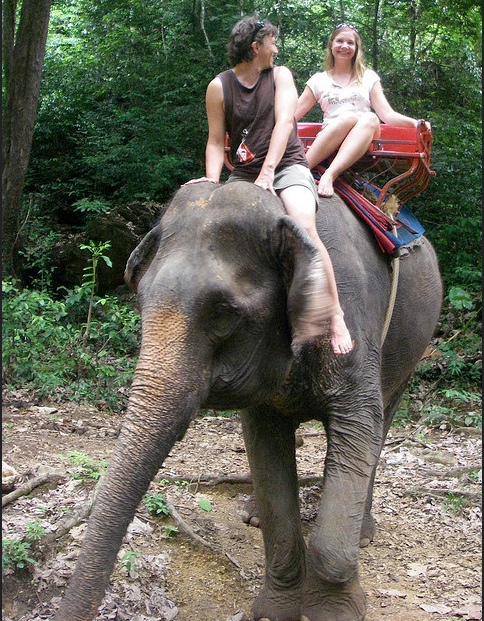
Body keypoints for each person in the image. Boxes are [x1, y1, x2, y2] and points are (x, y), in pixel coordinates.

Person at [184, 16, 353, 355]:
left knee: (303, 223)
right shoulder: (219, 87)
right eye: (272, 42)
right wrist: (212, 180)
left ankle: (335, 314)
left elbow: (282, 125)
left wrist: (269, 171)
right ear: (255, 46)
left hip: (287, 166)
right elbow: (217, 142)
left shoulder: (280, 76)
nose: (277, 48)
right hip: (244, 173)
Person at [295, 22, 427, 197]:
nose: (344, 46)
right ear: (331, 45)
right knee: (348, 117)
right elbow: (290, 116)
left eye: (350, 43)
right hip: (332, 133)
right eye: (339, 41)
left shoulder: (368, 77)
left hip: (363, 136)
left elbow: (387, 114)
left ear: (356, 49)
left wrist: (416, 124)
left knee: (370, 118)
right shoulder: (318, 80)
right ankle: (300, 171)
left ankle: (330, 174)